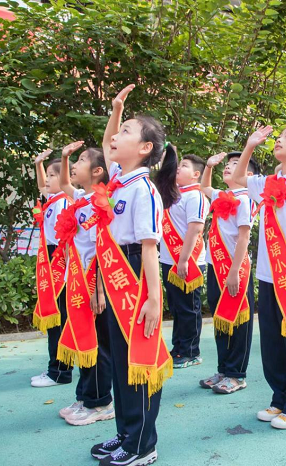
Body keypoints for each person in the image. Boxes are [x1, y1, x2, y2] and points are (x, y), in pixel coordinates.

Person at [88, 84, 176, 466]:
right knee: (120, 361)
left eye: (128, 131)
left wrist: (154, 300)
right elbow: (109, 141)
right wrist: (117, 110)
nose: (117, 136)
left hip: (135, 276)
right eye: (120, 130)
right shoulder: (118, 181)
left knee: (137, 361)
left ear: (144, 149)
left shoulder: (143, 189)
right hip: (112, 273)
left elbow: (149, 247)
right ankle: (126, 433)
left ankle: (142, 445)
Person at [232, 124, 286, 430]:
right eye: (279, 137)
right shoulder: (269, 182)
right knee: (271, 342)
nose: (280, 140)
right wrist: (250, 145)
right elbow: (239, 178)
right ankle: (279, 398)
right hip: (269, 275)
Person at [52, 141, 114, 426]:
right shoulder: (80, 199)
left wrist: (99, 289)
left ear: (98, 171)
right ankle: (85, 394)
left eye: (81, 160)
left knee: (98, 344)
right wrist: (64, 157)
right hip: (76, 282)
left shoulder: (100, 204)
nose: (75, 165)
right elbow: (64, 181)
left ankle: (100, 401)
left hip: (92, 285)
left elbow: (103, 249)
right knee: (81, 341)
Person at [199, 151, 258, 394]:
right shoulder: (223, 195)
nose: (228, 167)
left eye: (235, 164)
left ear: (248, 174)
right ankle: (223, 369)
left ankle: (237, 374)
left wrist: (233, 272)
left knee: (238, 321)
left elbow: (244, 236)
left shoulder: (245, 199)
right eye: (228, 163)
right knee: (221, 318)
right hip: (215, 266)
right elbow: (204, 187)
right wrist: (210, 165)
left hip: (235, 269)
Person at [160, 153, 209, 369]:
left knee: (189, 308)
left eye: (184, 166)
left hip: (188, 261)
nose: (178, 168)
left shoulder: (195, 197)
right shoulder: (174, 195)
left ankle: (191, 351)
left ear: (196, 174)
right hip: (169, 259)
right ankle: (179, 348)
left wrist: (183, 259)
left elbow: (195, 229)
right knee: (177, 307)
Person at [30, 153, 72, 388]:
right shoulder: (54, 199)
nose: (47, 179)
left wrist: (66, 273)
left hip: (60, 269)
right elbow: (40, 185)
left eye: (53, 175)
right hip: (52, 264)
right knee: (56, 321)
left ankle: (59, 372)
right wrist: (38, 164)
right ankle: (56, 368)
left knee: (59, 322)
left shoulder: (64, 202)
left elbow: (64, 243)